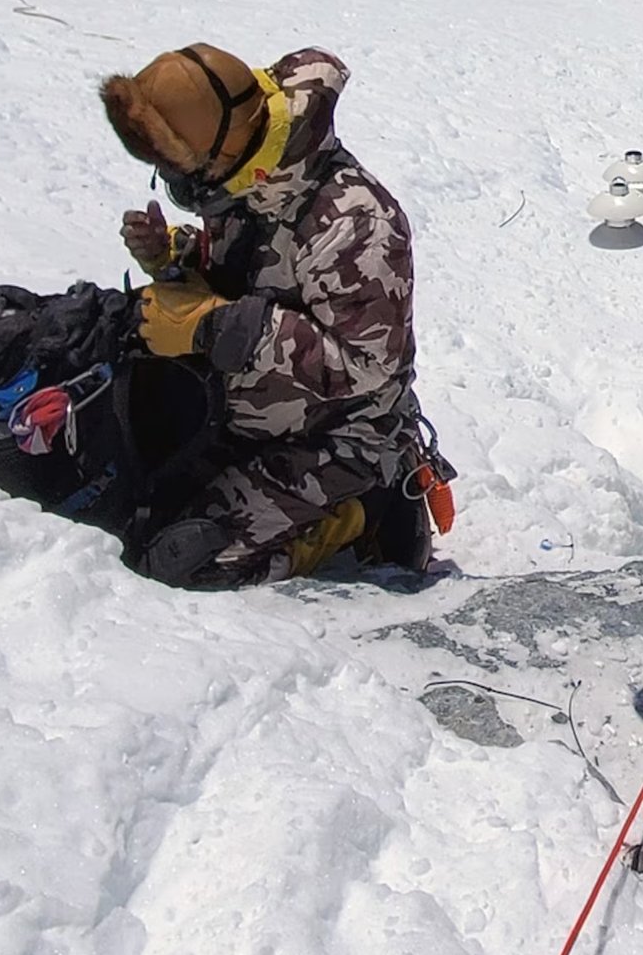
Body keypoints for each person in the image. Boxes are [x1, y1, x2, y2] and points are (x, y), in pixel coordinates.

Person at [99, 41, 440, 588]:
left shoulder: (355, 222)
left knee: (185, 563)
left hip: (340, 437)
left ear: (224, 149)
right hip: (248, 407)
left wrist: (216, 325)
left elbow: (368, 362)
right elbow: (252, 269)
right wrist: (173, 256)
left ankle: (361, 515)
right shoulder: (255, 178)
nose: (183, 185)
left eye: (182, 166)